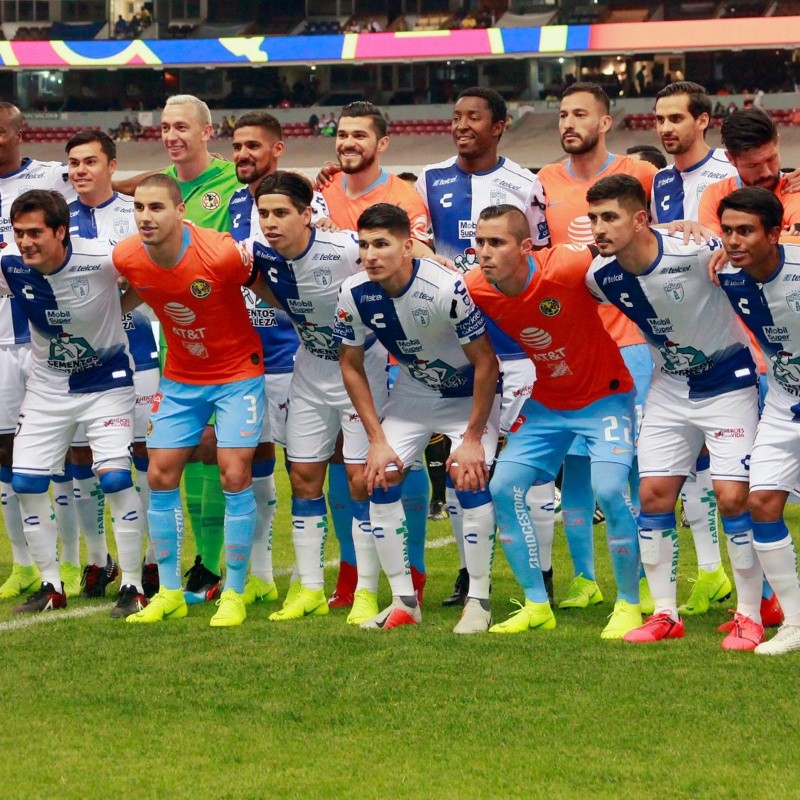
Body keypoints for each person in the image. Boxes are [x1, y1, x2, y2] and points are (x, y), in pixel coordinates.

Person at [584, 174, 762, 648]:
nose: (597, 228)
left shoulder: (697, 250)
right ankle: (665, 613)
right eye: (593, 218)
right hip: (669, 387)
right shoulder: (599, 276)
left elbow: (757, 261)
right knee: (655, 495)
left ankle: (750, 613)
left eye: (609, 217)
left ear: (641, 219)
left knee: (732, 497)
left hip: (728, 383)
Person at [466, 205, 641, 639]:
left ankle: (630, 603)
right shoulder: (474, 287)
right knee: (503, 487)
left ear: (526, 247)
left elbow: (626, 246)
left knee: (608, 491)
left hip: (607, 397)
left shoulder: (565, 265)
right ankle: (537, 604)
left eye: (496, 243)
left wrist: (680, 230)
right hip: (548, 402)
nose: (484, 252)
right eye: (480, 242)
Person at [416, 86, 554, 608]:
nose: (461, 125)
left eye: (473, 117)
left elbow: (540, 256)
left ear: (498, 126)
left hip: (517, 351)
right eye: (455, 117)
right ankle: (471, 576)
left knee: (526, 467)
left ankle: (540, 574)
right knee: (462, 464)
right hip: (456, 350)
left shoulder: (526, 183)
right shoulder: (428, 179)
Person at [335, 203, 500, 632]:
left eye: (382, 244)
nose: (370, 254)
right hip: (414, 392)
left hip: (466, 395)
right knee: (378, 475)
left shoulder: (447, 287)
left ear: (409, 246)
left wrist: (472, 437)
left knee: (469, 476)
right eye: (364, 244)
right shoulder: (354, 292)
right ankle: (404, 602)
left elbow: (485, 363)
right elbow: (350, 364)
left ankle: (479, 602)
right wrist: (376, 439)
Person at [113, 174, 264, 628]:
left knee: (235, 473)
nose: (145, 217)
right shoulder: (126, 255)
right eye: (139, 207)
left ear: (181, 211)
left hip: (238, 373)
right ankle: (172, 592)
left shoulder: (217, 252)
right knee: (160, 475)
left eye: (156, 208)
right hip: (180, 377)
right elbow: (142, 286)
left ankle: (234, 593)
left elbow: (260, 283)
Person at [536, 82, 655, 612]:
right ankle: (585, 579)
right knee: (578, 468)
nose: (569, 123)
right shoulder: (542, 183)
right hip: (577, 348)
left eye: (580, 114)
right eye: (563, 114)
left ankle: (649, 579)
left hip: (634, 341)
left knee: (634, 466)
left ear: (605, 122)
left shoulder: (640, 174)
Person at [251, 171, 389, 626]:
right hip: (308, 371)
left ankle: (367, 591)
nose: (270, 222)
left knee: (359, 481)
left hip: (361, 370)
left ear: (308, 214)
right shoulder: (260, 256)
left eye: (281, 213)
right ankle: (309, 588)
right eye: (264, 213)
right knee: (304, 478)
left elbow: (399, 251)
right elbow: (256, 282)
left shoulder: (344, 248)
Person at [3, 190, 146, 617]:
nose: (25, 242)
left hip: (107, 383)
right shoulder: (10, 263)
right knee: (26, 483)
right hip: (48, 387)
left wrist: (117, 308)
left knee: (116, 479)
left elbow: (147, 279)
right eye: (19, 233)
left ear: (61, 231)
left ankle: (135, 586)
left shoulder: (104, 257)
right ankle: (51, 585)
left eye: (35, 233)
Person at [318, 100, 433, 608]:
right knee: (345, 465)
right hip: (340, 344)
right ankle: (352, 571)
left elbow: (422, 254)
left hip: (395, 349)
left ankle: (416, 570)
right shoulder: (322, 191)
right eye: (342, 134)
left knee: (397, 460)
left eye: (359, 135)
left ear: (381, 143)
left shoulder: (402, 195)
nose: (348, 143)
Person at [650, 80, 741, 617]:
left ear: (702, 120)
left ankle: (762, 591)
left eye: (676, 118)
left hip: (730, 329)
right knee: (691, 460)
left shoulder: (726, 172)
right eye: (660, 119)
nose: (665, 128)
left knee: (737, 473)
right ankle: (710, 572)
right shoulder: (659, 179)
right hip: (677, 331)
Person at [65, 128, 161, 599]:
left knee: (143, 457)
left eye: (90, 161)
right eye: (74, 163)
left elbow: (154, 275)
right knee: (82, 458)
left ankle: (150, 561)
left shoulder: (133, 215)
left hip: (138, 351)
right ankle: (97, 559)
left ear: (111, 166)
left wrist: (107, 311)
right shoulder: (56, 219)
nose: (80, 171)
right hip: (77, 363)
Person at [160, 94, 243, 605]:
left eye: (182, 127)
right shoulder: (160, 190)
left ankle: (211, 564)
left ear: (207, 131)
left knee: (218, 448)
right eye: (166, 128)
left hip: (230, 339)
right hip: (179, 338)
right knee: (187, 450)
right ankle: (200, 563)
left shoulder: (234, 180)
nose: (172, 136)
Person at [714, 187, 800, 654]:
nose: (732, 241)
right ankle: (795, 623)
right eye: (726, 230)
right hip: (784, 406)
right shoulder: (729, 274)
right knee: (761, 502)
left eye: (745, 231)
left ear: (775, 232)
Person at [0, 102, 77, 601]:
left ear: (18, 131)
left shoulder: (52, 177)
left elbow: (106, 192)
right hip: (0, 341)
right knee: (6, 454)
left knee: (69, 453)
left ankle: (73, 561)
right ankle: (25, 564)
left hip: (47, 337)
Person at [227, 112, 300, 606]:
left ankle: (316, 578)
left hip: (291, 360)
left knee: (307, 469)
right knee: (255, 463)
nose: (242, 155)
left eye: (253, 145)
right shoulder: (233, 203)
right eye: (236, 147)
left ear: (278, 148)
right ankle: (261, 574)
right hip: (241, 361)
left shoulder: (298, 201)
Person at [699, 108, 800, 234]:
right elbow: (714, 249)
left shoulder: (794, 187)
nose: (766, 172)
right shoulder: (715, 195)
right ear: (731, 159)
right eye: (753, 165)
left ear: (777, 143)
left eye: (771, 159)